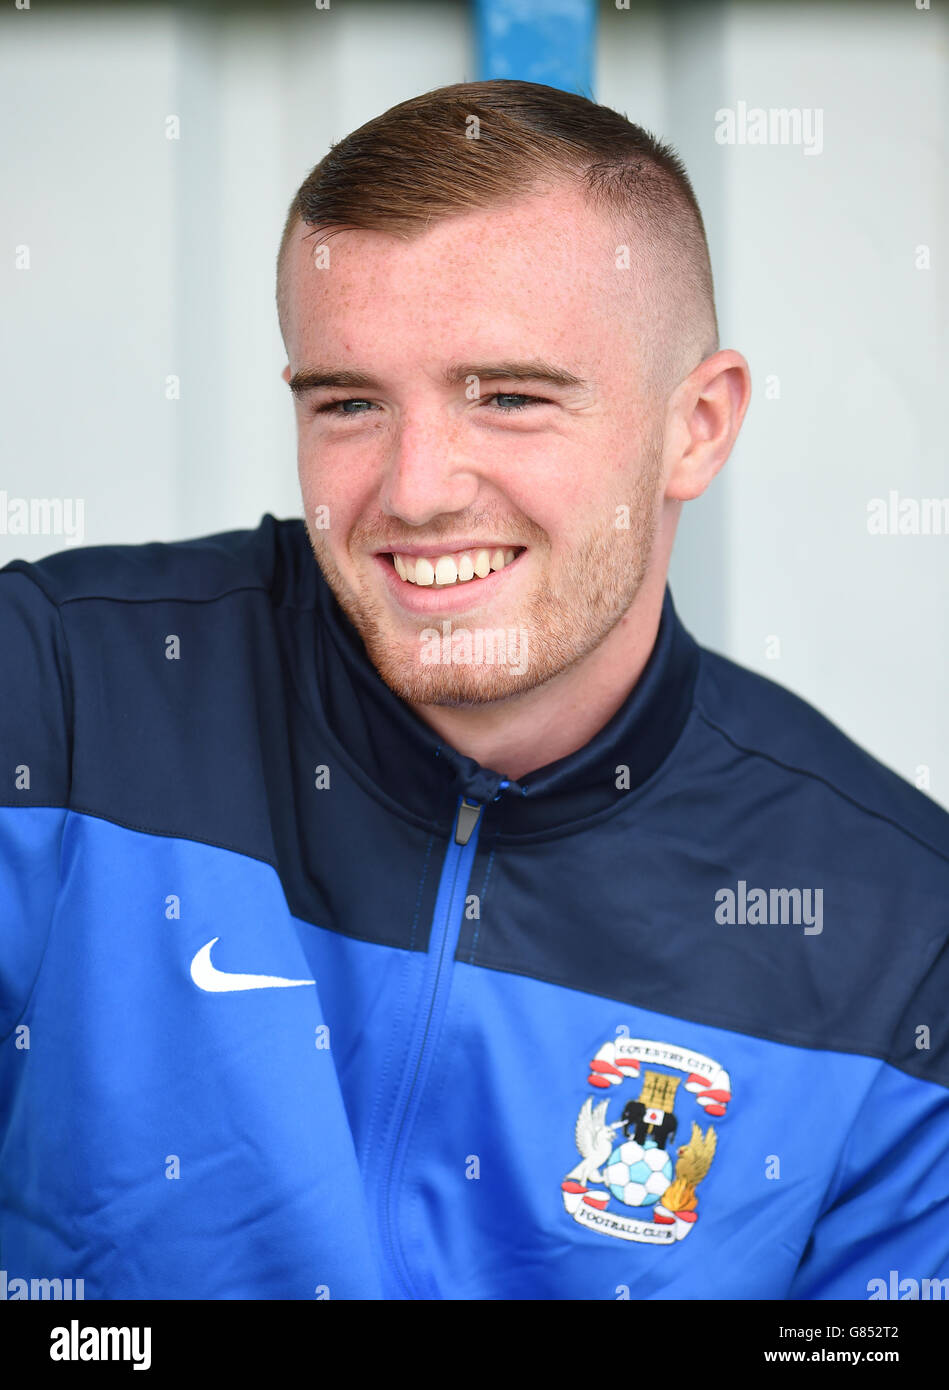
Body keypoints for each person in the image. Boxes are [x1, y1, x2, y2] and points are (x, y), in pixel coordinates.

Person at [1, 79, 946, 1302]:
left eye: (507, 396)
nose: (417, 489)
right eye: (348, 401)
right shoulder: (59, 696)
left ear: (696, 428)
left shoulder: (893, 933)